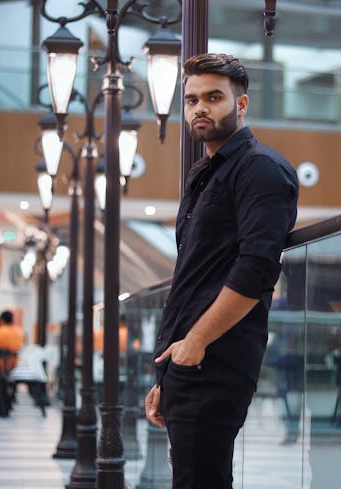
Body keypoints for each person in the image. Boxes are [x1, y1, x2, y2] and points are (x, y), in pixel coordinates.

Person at [145, 53, 298, 489]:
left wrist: (194, 342)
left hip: (216, 358)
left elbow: (257, 268)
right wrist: (167, 377)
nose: (199, 108)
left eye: (214, 97)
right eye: (191, 99)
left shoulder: (260, 169)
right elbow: (193, 276)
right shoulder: (206, 171)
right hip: (189, 362)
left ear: (242, 104)